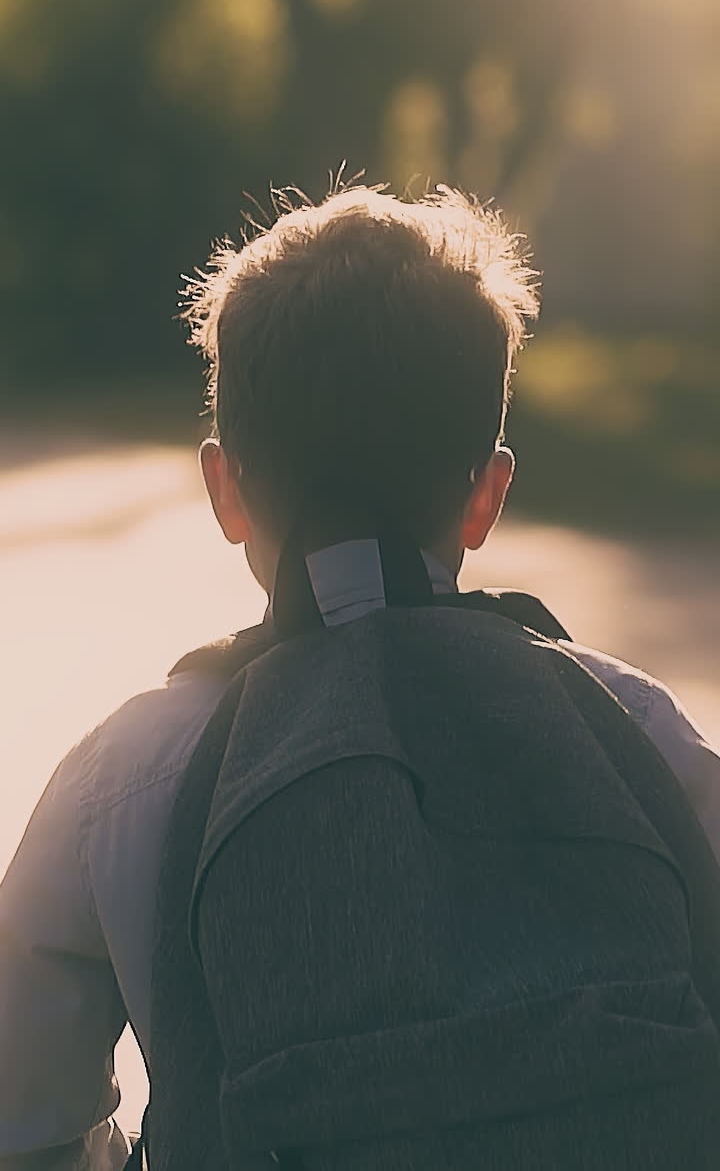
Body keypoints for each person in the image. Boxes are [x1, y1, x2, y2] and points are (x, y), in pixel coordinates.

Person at [1, 183, 719, 1169]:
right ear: (487, 494)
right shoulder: (637, 734)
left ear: (226, 489)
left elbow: (23, 1118)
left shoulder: (125, 780)